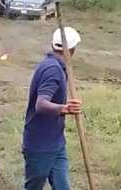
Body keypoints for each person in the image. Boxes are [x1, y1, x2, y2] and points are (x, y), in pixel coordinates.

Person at [22, 27, 82, 190]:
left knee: (63, 187)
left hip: (56, 142)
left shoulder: (56, 66)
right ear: (72, 48)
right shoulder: (52, 70)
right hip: (40, 145)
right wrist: (65, 108)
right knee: (33, 187)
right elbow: (41, 105)